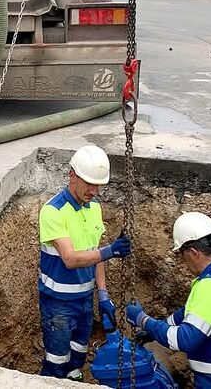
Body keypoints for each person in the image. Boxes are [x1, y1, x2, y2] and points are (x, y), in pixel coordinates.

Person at [125, 212, 211, 388]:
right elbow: (186, 314)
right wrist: (152, 332)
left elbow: (183, 340)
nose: (183, 260)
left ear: (193, 252)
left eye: (182, 254)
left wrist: (143, 320)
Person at [38, 145, 132, 382]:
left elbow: (95, 254)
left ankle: (74, 376)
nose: (95, 191)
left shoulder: (94, 209)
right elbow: (70, 259)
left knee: (78, 355)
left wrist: (102, 294)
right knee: (56, 363)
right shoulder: (53, 211)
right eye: (90, 183)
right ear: (72, 175)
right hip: (58, 304)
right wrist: (110, 251)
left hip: (84, 301)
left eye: (99, 185)